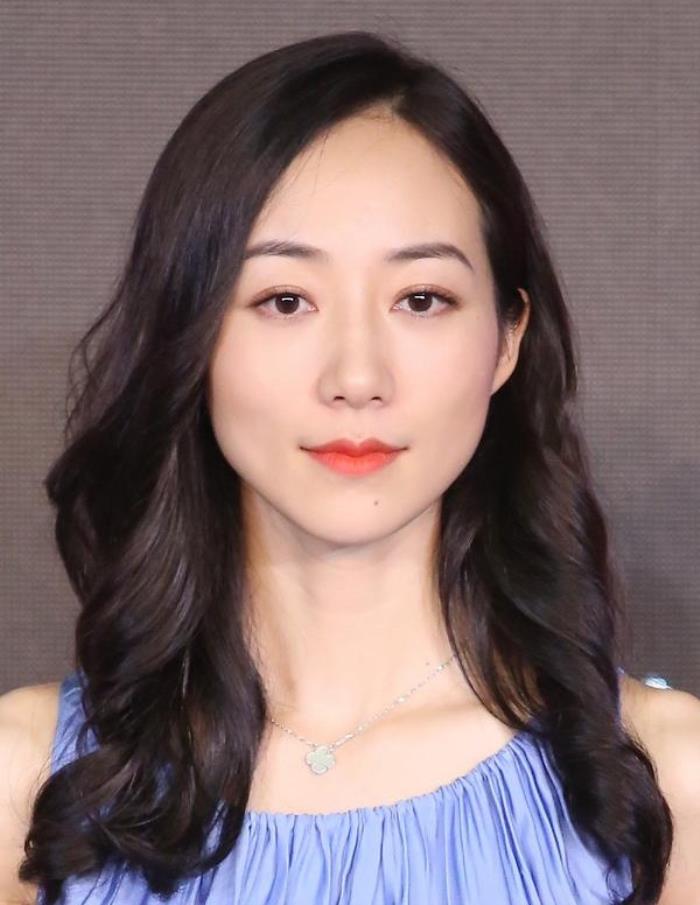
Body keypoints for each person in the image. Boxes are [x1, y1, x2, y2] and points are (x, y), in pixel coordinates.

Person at [1, 29, 698, 905]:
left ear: (507, 339)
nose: (357, 376)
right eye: (285, 300)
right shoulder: (27, 780)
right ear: (190, 335)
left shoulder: (666, 782)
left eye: (422, 299)